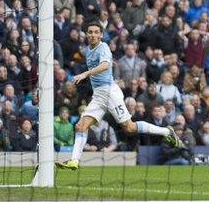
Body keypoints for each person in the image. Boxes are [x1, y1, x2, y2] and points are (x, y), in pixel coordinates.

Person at [55, 21, 182, 170]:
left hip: (109, 93)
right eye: (90, 32)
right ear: (87, 34)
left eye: (96, 32)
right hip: (99, 95)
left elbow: (105, 65)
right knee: (80, 126)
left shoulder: (103, 47)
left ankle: (167, 131)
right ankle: (74, 161)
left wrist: (85, 74)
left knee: (129, 127)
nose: (93, 35)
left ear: (101, 35)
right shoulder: (88, 51)